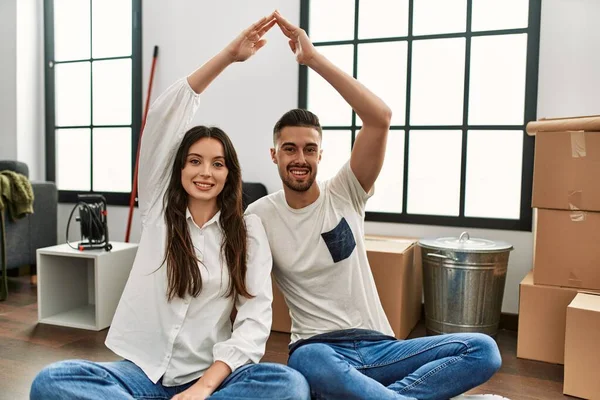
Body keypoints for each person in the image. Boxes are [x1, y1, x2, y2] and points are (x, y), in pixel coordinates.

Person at [30, 14, 309, 400]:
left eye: (217, 163)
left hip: (209, 380)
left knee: (289, 386)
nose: (205, 172)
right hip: (140, 374)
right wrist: (229, 55)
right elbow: (163, 117)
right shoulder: (158, 209)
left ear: (230, 173)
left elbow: (254, 320)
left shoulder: (249, 231)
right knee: (51, 381)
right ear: (179, 168)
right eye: (194, 161)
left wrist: (203, 388)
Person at [246, 11, 504, 400]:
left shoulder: (345, 190)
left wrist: (313, 59)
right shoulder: (260, 215)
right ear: (274, 155)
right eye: (290, 149)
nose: (300, 158)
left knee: (483, 350)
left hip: (382, 347)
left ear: (320, 154)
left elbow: (379, 118)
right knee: (304, 364)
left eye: (309, 149)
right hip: (320, 350)